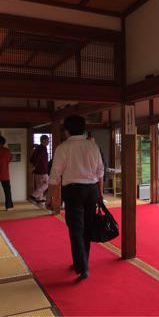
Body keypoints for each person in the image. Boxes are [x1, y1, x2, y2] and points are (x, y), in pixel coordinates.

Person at [49, 115, 104, 280]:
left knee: (75, 228)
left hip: (73, 191)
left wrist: (50, 197)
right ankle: (82, 262)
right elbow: (100, 171)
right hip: (91, 189)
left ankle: (82, 267)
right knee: (87, 226)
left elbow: (54, 175)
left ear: (67, 131)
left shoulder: (63, 148)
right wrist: (99, 193)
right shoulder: (92, 146)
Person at [30, 135, 49, 203]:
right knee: (47, 184)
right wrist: (34, 166)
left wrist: (33, 166)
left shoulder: (37, 148)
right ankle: (34, 195)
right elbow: (38, 157)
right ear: (43, 140)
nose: (48, 142)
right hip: (42, 170)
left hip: (37, 170)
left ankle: (39, 198)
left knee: (39, 185)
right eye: (47, 140)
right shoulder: (43, 148)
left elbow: (32, 158)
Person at [0, 136, 13, 211]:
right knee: (7, 191)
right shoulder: (7, 151)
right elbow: (9, 160)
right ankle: (8, 207)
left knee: (7, 190)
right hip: (4, 174)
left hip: (4, 173)